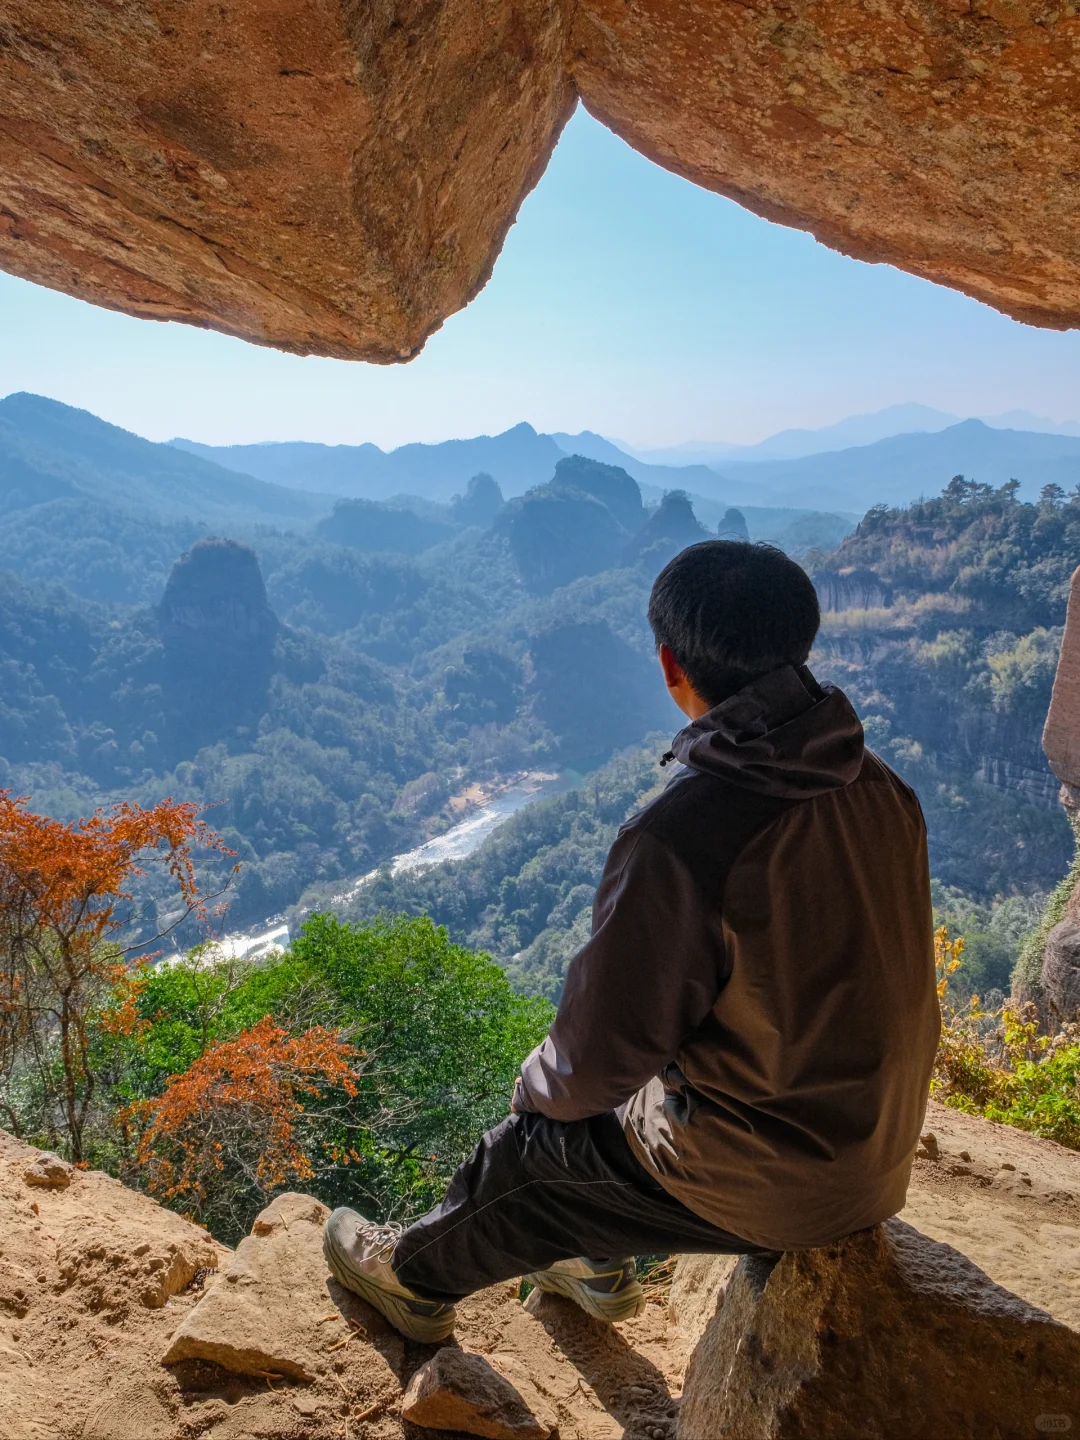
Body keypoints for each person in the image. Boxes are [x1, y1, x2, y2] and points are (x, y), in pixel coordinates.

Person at [322, 540, 940, 1342]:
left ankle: (408, 1277)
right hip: (876, 1151)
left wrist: (530, 1096)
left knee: (529, 1148)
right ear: (801, 644)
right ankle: (587, 1258)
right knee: (601, 1111)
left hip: (783, 1186)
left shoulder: (686, 834)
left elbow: (594, 1062)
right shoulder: (879, 782)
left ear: (669, 665)